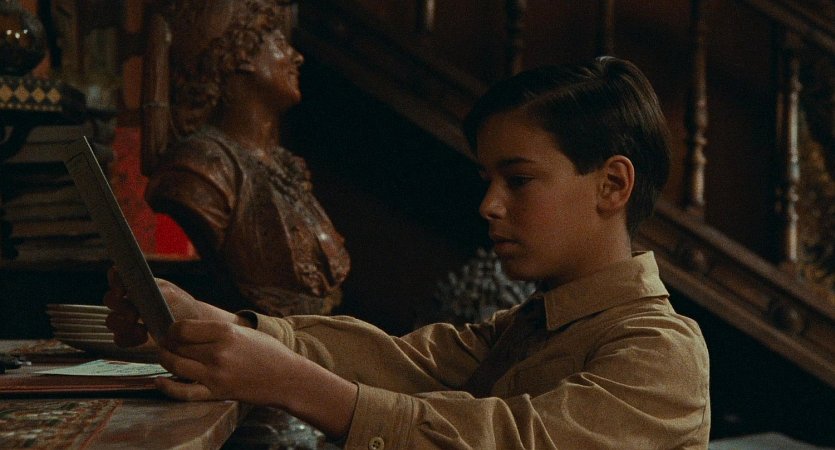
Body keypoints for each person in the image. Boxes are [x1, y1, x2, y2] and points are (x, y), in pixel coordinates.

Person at [107, 56, 711, 448]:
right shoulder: (528, 326)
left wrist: (293, 384)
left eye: (519, 179)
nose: (489, 205)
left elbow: (510, 441)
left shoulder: (661, 352)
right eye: (488, 182)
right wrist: (217, 325)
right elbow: (398, 360)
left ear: (612, 185)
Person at [142, 0, 350, 316]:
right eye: (279, 43)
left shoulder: (283, 166)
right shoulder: (202, 168)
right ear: (242, 56)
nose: (296, 56)